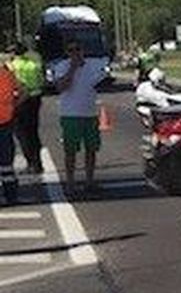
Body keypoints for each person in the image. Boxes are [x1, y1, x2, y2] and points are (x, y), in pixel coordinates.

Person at [49, 43, 107, 194]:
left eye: (77, 49)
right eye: (71, 50)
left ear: (82, 51)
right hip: (70, 114)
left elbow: (101, 81)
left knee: (91, 149)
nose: (75, 53)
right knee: (70, 150)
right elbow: (61, 87)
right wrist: (72, 69)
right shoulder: (62, 66)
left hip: (90, 113)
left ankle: (89, 181)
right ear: (67, 53)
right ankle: (70, 183)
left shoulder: (92, 66)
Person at [8, 43, 44, 174]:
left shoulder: (13, 65)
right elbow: (41, 80)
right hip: (35, 98)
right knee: (33, 132)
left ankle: (31, 163)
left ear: (14, 53)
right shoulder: (33, 63)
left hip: (20, 100)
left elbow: (14, 84)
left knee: (22, 134)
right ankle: (38, 163)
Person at [0, 55, 20, 204]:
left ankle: (10, 193)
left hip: (5, 121)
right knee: (6, 162)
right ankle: (11, 195)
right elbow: (23, 91)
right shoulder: (7, 75)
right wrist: (13, 106)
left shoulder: (6, 76)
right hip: (6, 121)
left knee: (6, 163)